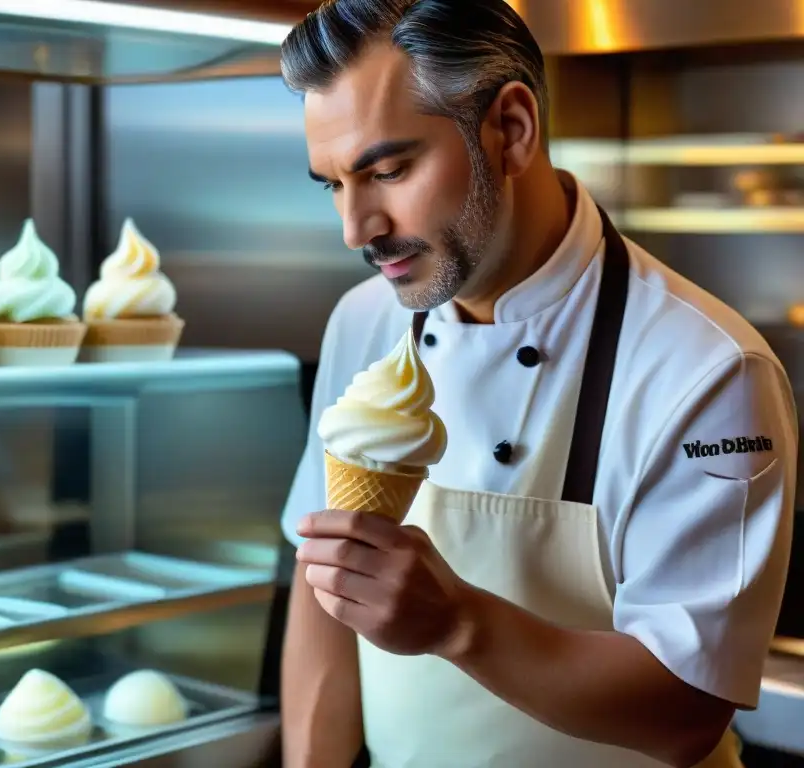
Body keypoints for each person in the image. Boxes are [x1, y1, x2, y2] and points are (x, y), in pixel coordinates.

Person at [277, 2, 799, 767]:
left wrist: (457, 623)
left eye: (387, 171)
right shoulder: (364, 320)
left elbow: (686, 711)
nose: (357, 228)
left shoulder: (709, 369)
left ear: (512, 129)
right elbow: (325, 584)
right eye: (332, 184)